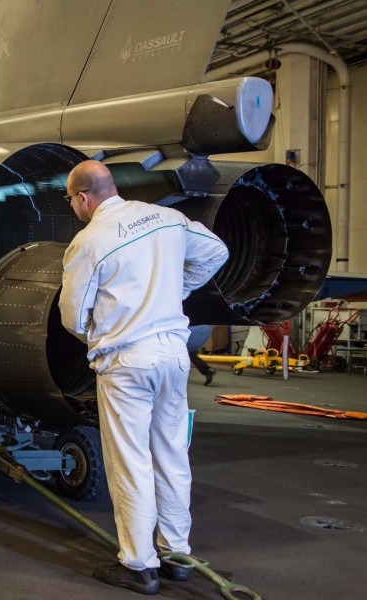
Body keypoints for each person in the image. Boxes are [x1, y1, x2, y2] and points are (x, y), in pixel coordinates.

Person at [59, 161, 228, 595]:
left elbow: (72, 316)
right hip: (173, 353)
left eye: (70, 199)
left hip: (126, 362)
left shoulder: (89, 241)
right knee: (172, 455)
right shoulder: (166, 218)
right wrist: (177, 290)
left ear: (82, 198)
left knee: (130, 461)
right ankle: (176, 555)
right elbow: (216, 252)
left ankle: (138, 565)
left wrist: (102, 332)